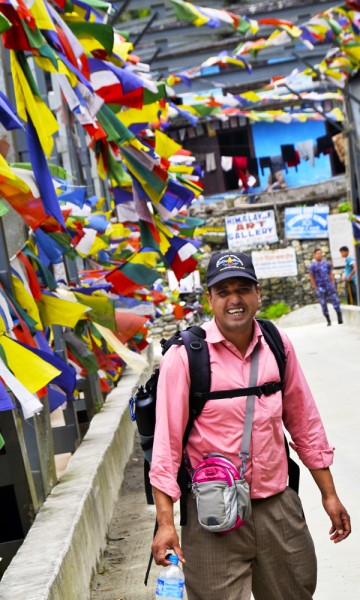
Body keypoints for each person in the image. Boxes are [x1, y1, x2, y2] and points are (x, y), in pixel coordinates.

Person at [150, 251, 351, 600]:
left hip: (277, 505)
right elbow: (165, 449)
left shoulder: (277, 344)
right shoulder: (184, 357)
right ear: (210, 299)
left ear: (257, 294)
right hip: (212, 515)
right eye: (224, 291)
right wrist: (166, 523)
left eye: (242, 289)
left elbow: (305, 424)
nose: (234, 299)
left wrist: (329, 494)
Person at [309, 248, 343, 326]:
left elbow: (330, 274)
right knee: (323, 304)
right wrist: (315, 287)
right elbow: (311, 277)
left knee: (335, 301)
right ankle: (328, 320)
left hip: (329, 286)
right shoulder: (312, 266)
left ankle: (339, 318)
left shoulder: (326, 263)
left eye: (321, 253)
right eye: (318, 253)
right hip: (320, 287)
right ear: (314, 255)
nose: (320, 254)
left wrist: (333, 283)